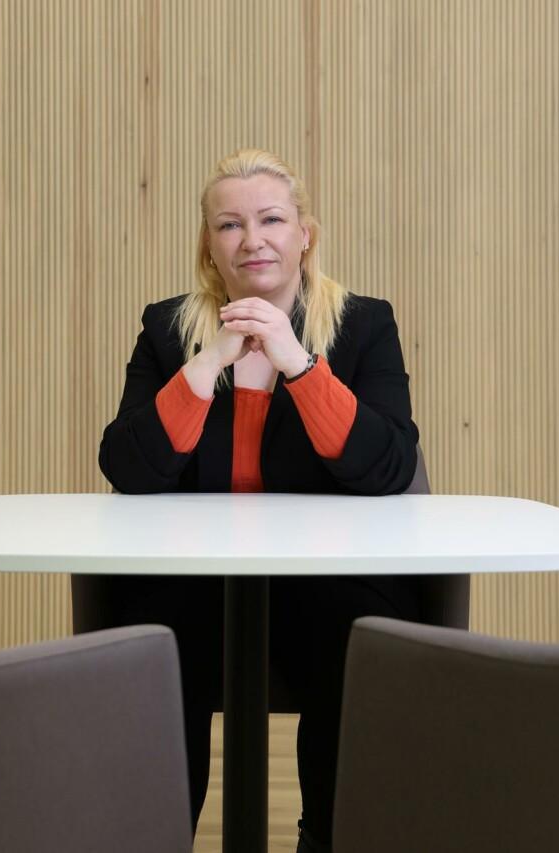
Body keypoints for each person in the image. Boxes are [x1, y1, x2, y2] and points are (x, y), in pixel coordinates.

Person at [98, 148, 421, 852]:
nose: (253, 239)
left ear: (305, 233)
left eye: (272, 219)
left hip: (325, 576)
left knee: (357, 634)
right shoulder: (166, 329)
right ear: (210, 246)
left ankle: (327, 838)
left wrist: (297, 364)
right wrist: (208, 362)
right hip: (197, 579)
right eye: (231, 225)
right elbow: (128, 465)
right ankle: (153, 836)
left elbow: (388, 465)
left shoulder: (364, 326)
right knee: (154, 638)